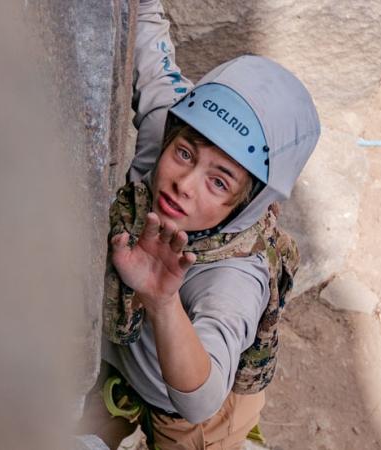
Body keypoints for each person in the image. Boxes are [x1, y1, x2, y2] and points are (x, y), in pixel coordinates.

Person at [76, 0, 321, 448]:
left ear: (248, 202)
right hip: (120, 363)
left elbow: (201, 400)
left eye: (218, 181)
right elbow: (149, 36)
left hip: (188, 421)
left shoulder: (235, 277)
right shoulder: (163, 139)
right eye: (185, 154)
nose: (183, 184)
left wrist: (162, 301)